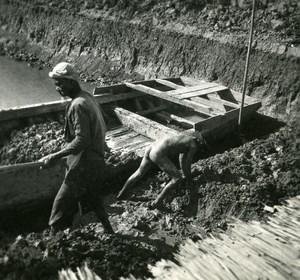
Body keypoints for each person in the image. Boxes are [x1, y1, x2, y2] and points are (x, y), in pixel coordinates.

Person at [39, 62, 114, 234]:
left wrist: (54, 156)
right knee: (93, 200)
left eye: (60, 83)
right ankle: (110, 231)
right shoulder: (89, 97)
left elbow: (82, 140)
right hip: (96, 161)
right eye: (56, 84)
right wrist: (100, 142)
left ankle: (51, 242)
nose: (57, 88)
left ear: (72, 82)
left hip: (83, 164)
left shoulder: (77, 105)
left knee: (59, 205)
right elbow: (106, 120)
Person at [117, 131, 210, 209]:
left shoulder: (186, 136)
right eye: (202, 143)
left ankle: (121, 194)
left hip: (151, 147)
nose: (201, 145)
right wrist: (188, 177)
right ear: (200, 140)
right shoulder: (193, 145)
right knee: (177, 178)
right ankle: (158, 202)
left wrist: (188, 176)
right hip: (158, 153)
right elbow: (187, 162)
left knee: (139, 173)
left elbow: (181, 159)